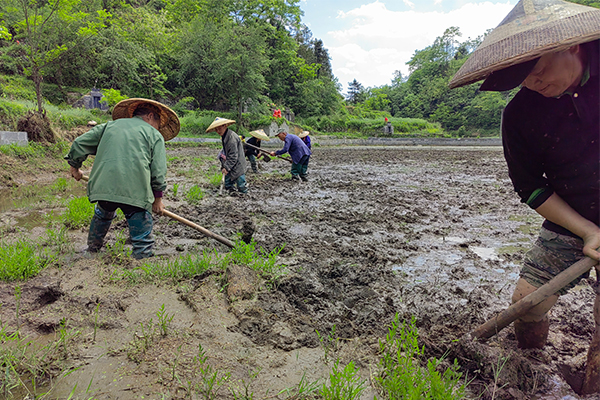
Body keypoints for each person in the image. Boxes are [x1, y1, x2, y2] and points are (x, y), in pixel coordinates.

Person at [449, 0, 600, 349]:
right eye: (522, 77)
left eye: (538, 70)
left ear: (571, 46)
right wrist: (588, 230)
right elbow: (531, 188)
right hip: (572, 217)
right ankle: (526, 369)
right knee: (527, 302)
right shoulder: (521, 114)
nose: (532, 83)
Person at [65, 98, 180, 259]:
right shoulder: (153, 135)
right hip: (135, 192)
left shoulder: (108, 127)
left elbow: (79, 144)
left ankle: (92, 248)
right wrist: (157, 199)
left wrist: (75, 168)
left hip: (104, 188)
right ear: (149, 116)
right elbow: (158, 171)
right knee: (140, 223)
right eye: (158, 123)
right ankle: (142, 256)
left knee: (103, 213)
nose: (158, 128)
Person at [207, 117, 247, 195]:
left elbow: (233, 155)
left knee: (241, 185)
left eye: (219, 128)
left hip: (238, 163)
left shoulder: (231, 138)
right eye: (216, 129)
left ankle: (245, 197)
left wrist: (227, 167)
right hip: (230, 162)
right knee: (228, 184)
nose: (218, 131)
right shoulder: (225, 136)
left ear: (225, 126)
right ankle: (231, 193)